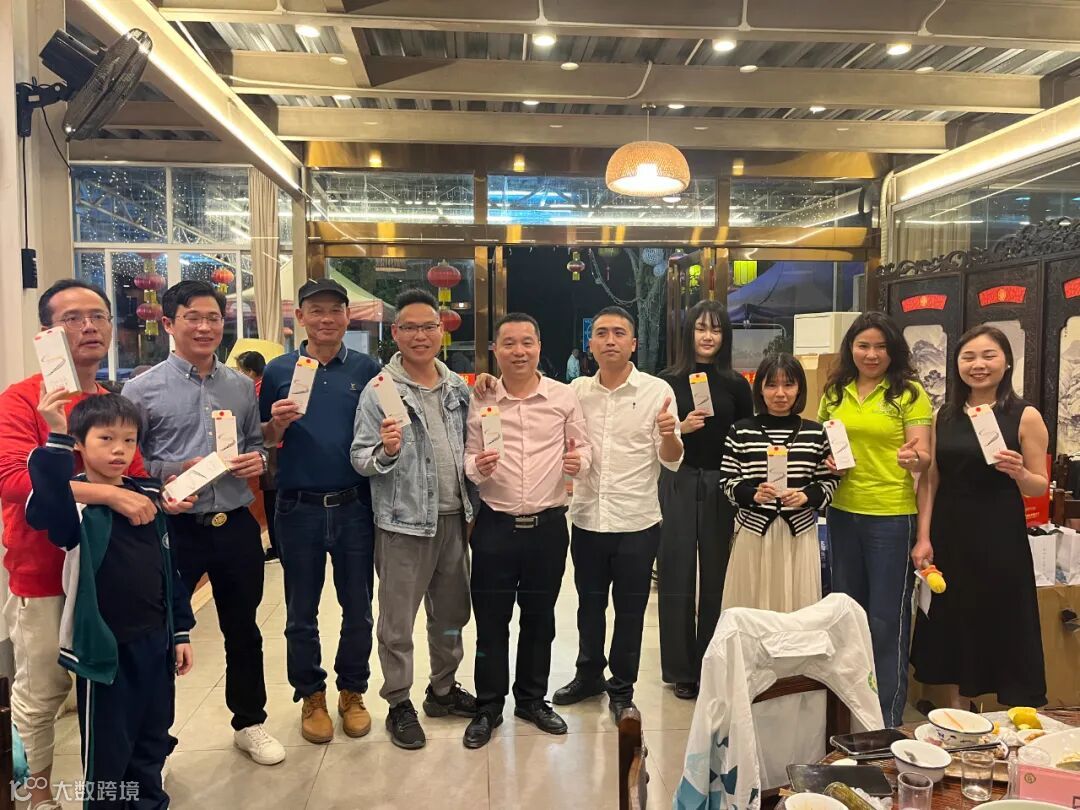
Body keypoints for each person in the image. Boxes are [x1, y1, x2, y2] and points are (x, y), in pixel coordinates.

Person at [0, 279, 159, 810]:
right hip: (44, 573)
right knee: (41, 692)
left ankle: (114, 785)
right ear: (46, 332)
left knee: (109, 688)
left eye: (98, 316)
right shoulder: (21, 400)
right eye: (72, 318)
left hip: (108, 575)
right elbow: (14, 480)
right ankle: (37, 795)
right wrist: (106, 495)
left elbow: (135, 477)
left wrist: (162, 495)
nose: (89, 327)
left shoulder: (111, 403)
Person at [122, 280, 286, 766]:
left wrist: (258, 460)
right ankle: (155, 743)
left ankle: (249, 722)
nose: (205, 327)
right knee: (162, 634)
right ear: (168, 324)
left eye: (213, 317)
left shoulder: (239, 385)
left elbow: (255, 443)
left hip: (234, 523)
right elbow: (128, 464)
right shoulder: (141, 389)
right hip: (173, 528)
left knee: (244, 629)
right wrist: (172, 471)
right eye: (192, 317)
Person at [26, 394, 196, 810]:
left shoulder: (148, 495)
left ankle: (150, 803)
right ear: (80, 444)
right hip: (106, 654)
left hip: (155, 643)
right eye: (106, 438)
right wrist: (56, 435)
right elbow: (44, 496)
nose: (120, 450)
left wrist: (179, 631)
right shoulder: (76, 508)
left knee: (153, 739)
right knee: (108, 753)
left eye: (129, 440)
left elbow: (168, 566)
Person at [351, 288, 478, 750]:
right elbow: (360, 457)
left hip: (454, 522)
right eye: (410, 328)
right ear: (395, 332)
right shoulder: (381, 390)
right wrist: (386, 451)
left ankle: (442, 690)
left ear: (441, 331)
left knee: (451, 616)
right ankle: (399, 702)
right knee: (397, 623)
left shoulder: (458, 387)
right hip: (403, 524)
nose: (420, 336)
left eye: (428, 327)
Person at [260, 278, 381, 745]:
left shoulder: (367, 369)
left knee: (359, 608)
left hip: (355, 505)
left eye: (335, 310)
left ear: (348, 317)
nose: (326, 318)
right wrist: (276, 424)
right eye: (316, 310)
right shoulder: (278, 370)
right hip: (298, 508)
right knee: (300, 612)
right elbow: (261, 438)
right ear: (300, 318)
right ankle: (310, 694)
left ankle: (353, 691)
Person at [462, 313, 591, 749]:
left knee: (540, 619)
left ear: (539, 346)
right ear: (496, 350)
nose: (519, 351)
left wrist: (579, 462)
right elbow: (468, 456)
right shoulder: (481, 397)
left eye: (527, 342)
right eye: (509, 343)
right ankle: (488, 705)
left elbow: (584, 447)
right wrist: (476, 468)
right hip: (494, 528)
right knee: (491, 622)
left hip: (547, 529)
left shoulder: (562, 397)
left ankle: (532, 700)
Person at [553, 306, 683, 722]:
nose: (610, 340)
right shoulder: (576, 391)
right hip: (588, 518)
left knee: (630, 611)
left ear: (633, 343)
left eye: (619, 333)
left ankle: (622, 688)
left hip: (637, 522)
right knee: (588, 607)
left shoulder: (657, 391)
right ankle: (588, 675)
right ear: (590, 343)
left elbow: (672, 459)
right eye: (602, 333)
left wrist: (669, 435)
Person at [910, 326, 1048, 707]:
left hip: (999, 533)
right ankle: (958, 709)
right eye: (968, 357)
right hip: (950, 529)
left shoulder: (1025, 415)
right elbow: (932, 478)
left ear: (1007, 363)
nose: (978, 365)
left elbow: (1039, 486)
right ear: (957, 364)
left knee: (1000, 615)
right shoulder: (945, 415)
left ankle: (1008, 712)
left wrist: (1020, 473)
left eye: (989, 356)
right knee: (953, 617)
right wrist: (923, 536)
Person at [817, 311, 932, 727]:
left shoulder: (909, 393)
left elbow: (925, 457)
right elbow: (823, 445)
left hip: (891, 516)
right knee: (847, 615)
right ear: (850, 347)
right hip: (842, 513)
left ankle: (884, 719)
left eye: (881, 346)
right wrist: (827, 462)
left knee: (886, 621)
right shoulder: (835, 392)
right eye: (863, 345)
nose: (871, 354)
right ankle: (848, 710)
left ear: (893, 350)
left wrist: (914, 458)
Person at [657, 300, 752, 699]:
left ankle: (711, 661)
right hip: (678, 478)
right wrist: (680, 428)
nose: (708, 336)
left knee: (717, 575)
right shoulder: (666, 381)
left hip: (721, 482)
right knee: (676, 573)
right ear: (688, 332)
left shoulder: (736, 384)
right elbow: (652, 434)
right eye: (700, 328)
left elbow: (748, 436)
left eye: (716, 329)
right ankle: (681, 669)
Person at [721, 354, 839, 612]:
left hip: (799, 535)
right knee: (751, 608)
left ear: (800, 389)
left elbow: (829, 482)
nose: (780, 393)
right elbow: (727, 480)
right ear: (760, 389)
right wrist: (753, 494)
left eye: (789, 384)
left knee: (797, 610)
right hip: (753, 533)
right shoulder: (740, 431)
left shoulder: (815, 432)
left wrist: (806, 497)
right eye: (771, 385)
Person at [237, 351, 280, 563]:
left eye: (241, 370)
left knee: (272, 497)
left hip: (271, 450)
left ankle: (277, 545)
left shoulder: (255, 389)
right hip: (273, 449)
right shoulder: (266, 385)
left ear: (251, 371)